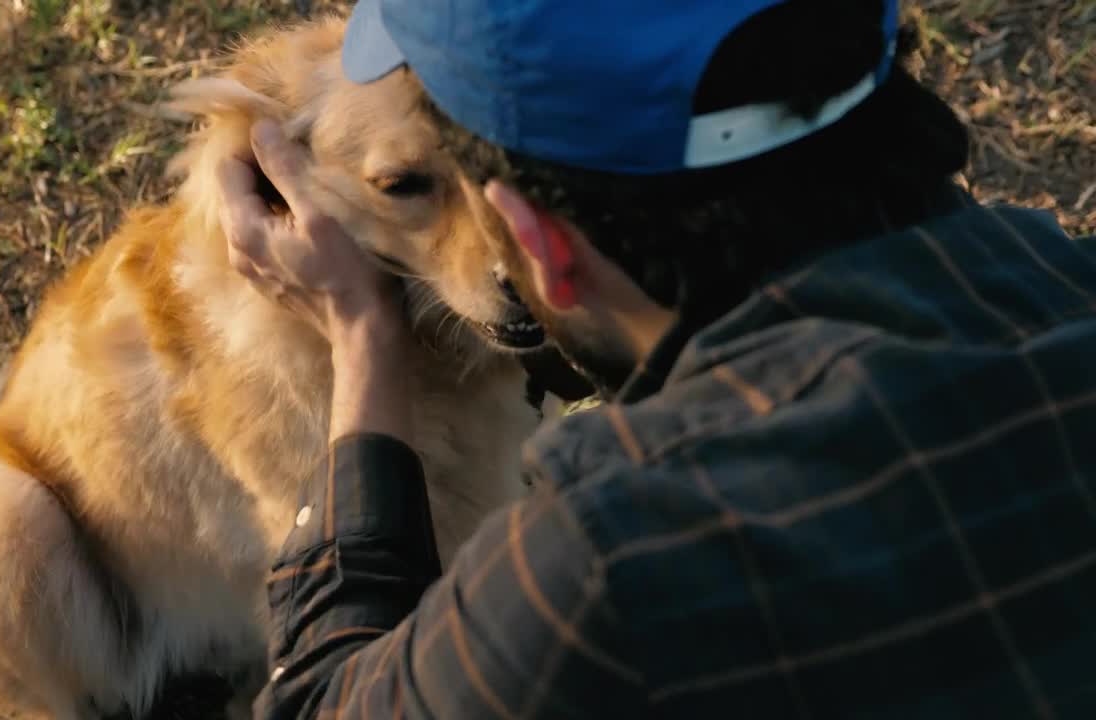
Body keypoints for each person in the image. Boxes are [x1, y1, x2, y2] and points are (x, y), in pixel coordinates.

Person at [218, 0, 1096, 717]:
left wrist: (363, 334)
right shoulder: (1065, 281)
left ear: (542, 248)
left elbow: (322, 706)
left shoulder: (610, 558)